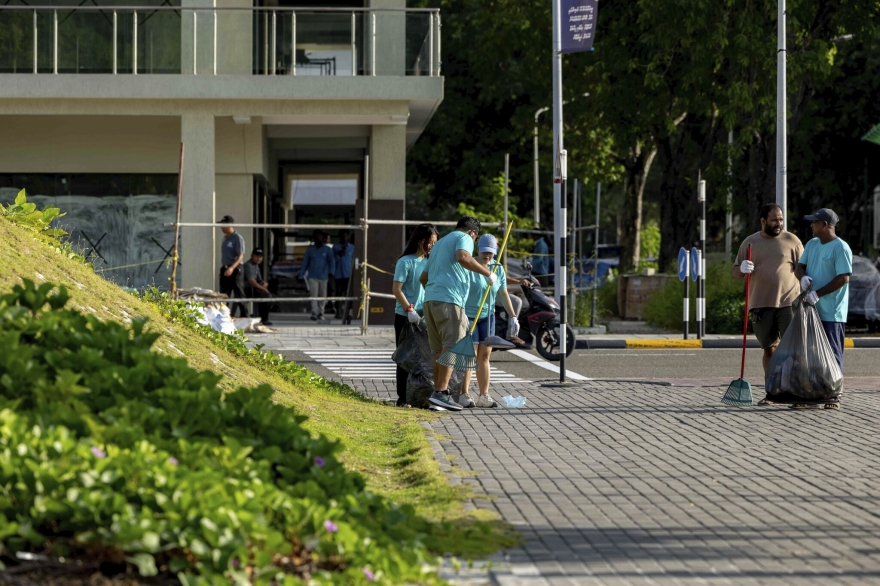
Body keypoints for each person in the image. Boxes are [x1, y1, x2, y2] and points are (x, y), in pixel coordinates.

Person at [419, 216, 498, 411]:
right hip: (450, 300)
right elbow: (463, 257)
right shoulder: (464, 238)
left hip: (431, 301)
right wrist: (487, 273)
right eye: (475, 237)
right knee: (453, 347)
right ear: (472, 233)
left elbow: (424, 277)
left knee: (440, 350)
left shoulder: (440, 244)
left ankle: (438, 396)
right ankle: (441, 393)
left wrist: (433, 292)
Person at [733, 203, 804, 405]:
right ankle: (773, 392)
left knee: (794, 350)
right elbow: (736, 270)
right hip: (761, 304)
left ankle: (798, 392)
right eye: (774, 220)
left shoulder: (792, 241)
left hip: (788, 302)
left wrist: (807, 284)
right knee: (769, 349)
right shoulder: (750, 243)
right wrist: (742, 268)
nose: (778, 223)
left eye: (781, 219)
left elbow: (804, 268)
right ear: (763, 221)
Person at [794, 208, 852, 410]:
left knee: (831, 353)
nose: (811, 225)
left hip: (831, 311)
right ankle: (809, 392)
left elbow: (843, 277)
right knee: (809, 353)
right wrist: (802, 277)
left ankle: (832, 394)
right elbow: (799, 266)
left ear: (825, 225)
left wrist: (818, 294)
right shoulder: (812, 244)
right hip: (810, 310)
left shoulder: (840, 247)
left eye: (814, 222)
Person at [459, 234, 521, 408]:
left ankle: (484, 395)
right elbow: (462, 290)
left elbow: (503, 292)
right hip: (469, 315)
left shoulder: (497, 267)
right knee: (469, 355)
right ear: (478, 250)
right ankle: (463, 394)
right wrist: (461, 311)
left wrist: (513, 316)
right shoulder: (470, 265)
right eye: (485, 252)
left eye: (491, 253)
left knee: (484, 356)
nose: (488, 256)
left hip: (488, 315)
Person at [392, 224, 439, 407]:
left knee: (424, 358)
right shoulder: (405, 262)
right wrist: (408, 309)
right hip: (406, 316)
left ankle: (419, 396)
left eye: (435, 243)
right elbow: (397, 289)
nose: (432, 247)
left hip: (425, 314)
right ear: (420, 240)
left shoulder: (431, 262)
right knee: (405, 358)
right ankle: (403, 397)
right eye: (430, 242)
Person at [299, 229, 336, 321]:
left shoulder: (327, 250)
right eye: (316, 235)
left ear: (322, 237)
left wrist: (332, 272)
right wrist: (301, 275)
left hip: (324, 276)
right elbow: (305, 263)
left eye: (320, 235)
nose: (318, 237)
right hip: (312, 276)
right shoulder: (310, 249)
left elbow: (332, 262)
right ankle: (314, 313)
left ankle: (321, 312)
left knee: (323, 296)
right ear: (314, 237)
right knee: (314, 295)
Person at [218, 215, 247, 318]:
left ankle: (245, 316)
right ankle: (223, 316)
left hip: (235, 268)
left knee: (239, 292)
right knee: (224, 294)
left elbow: (240, 255)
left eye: (223, 225)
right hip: (226, 268)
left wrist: (232, 268)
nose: (221, 228)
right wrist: (223, 270)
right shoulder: (225, 238)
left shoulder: (237, 238)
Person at [243, 248, 273, 326]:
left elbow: (259, 279)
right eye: (256, 256)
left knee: (270, 296)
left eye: (260, 257)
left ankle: (263, 317)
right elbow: (251, 281)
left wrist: (264, 283)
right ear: (251, 256)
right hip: (247, 289)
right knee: (265, 295)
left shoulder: (256, 266)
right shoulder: (248, 265)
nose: (258, 258)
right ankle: (263, 319)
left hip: (254, 288)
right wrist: (263, 288)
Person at [333, 231, 356, 319]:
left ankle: (348, 312)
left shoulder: (352, 248)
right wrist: (338, 255)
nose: (344, 238)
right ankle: (338, 311)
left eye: (345, 236)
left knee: (348, 295)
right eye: (342, 236)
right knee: (338, 294)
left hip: (348, 275)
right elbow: (332, 260)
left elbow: (354, 261)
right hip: (338, 275)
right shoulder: (335, 247)